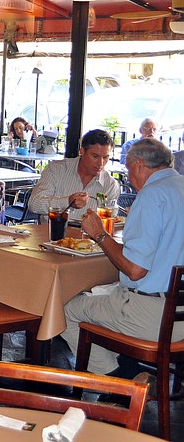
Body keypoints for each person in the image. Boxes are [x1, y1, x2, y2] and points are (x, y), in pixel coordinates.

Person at [60, 139, 184, 377]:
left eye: (128, 169)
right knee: (106, 296)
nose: (129, 177)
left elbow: (136, 271)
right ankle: (131, 371)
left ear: (138, 165)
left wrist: (99, 235)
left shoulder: (151, 196)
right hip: (178, 312)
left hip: (155, 318)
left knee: (65, 309)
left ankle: (121, 382)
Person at [28, 129, 121, 221]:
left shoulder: (110, 185)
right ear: (82, 151)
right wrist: (68, 201)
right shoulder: (56, 169)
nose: (101, 163)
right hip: (52, 232)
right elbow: (34, 204)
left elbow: (110, 220)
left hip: (89, 235)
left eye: (105, 157)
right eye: (95, 156)